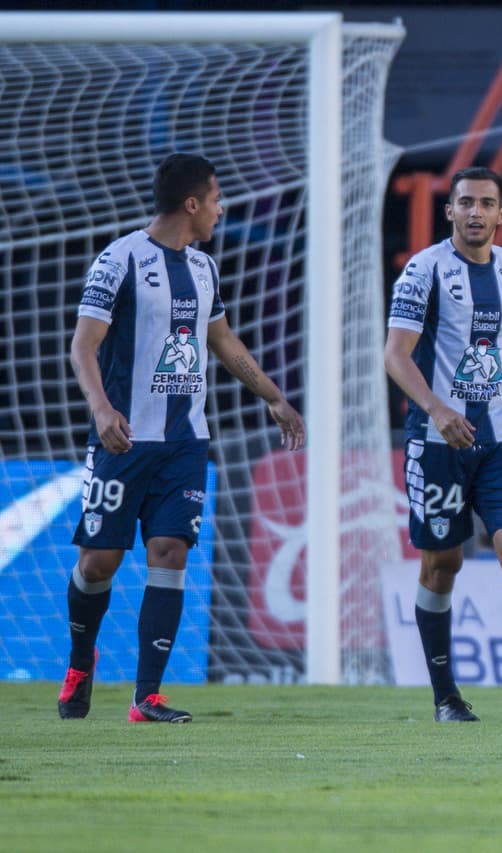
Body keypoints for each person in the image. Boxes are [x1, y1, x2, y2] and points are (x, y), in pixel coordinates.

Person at [61, 153, 305, 723]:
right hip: (124, 439)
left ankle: (147, 697)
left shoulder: (203, 268)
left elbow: (222, 341)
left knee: (169, 553)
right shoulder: (118, 260)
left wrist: (272, 395)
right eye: (216, 199)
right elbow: (82, 345)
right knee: (99, 562)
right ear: (192, 203)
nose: (221, 209)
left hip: (185, 443)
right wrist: (101, 410)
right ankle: (78, 665)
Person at [385, 167, 502, 723]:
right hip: (437, 443)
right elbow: (396, 354)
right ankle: (445, 696)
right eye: (465, 202)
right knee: (442, 564)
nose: (475, 212)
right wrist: (437, 411)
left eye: (487, 203)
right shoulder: (424, 271)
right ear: (450, 211)